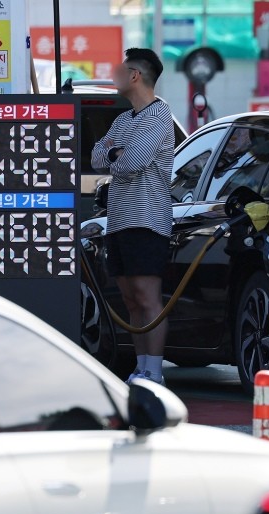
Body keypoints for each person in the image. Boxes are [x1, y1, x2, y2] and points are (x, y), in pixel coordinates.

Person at [91, 48, 176, 386]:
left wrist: (116, 152)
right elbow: (98, 155)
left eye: (119, 70)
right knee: (129, 297)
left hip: (148, 219)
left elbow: (132, 162)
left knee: (146, 295)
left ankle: (154, 371)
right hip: (119, 219)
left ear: (135, 75)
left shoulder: (160, 115)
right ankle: (141, 368)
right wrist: (115, 151)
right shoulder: (123, 120)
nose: (114, 76)